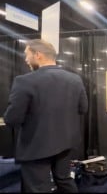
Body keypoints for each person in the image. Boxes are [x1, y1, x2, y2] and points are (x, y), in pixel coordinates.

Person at [3, 39, 88, 192]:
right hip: (66, 143)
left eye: (27, 55)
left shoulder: (24, 81)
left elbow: (12, 118)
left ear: (38, 55)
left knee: (37, 187)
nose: (25, 59)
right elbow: (83, 108)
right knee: (64, 180)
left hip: (36, 145)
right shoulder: (75, 79)